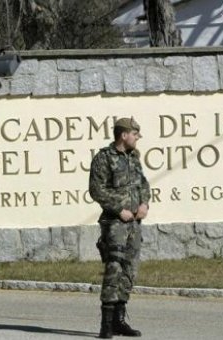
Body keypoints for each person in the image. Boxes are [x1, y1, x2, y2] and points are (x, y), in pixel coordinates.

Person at [89, 117, 151, 339]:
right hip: (115, 224)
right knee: (113, 269)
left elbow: (143, 183)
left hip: (134, 223)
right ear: (124, 135)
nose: (137, 138)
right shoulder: (104, 158)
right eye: (135, 134)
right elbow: (96, 189)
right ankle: (106, 325)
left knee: (129, 270)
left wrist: (144, 203)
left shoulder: (134, 158)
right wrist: (118, 209)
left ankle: (119, 321)